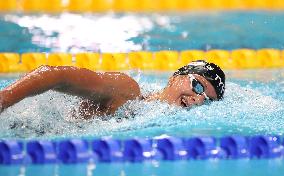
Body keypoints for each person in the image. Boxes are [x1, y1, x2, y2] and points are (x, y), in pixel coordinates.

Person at [0, 60, 225, 119]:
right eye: (198, 86)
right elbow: (55, 74)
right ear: (175, 77)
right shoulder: (127, 90)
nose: (197, 99)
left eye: (206, 100)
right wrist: (4, 99)